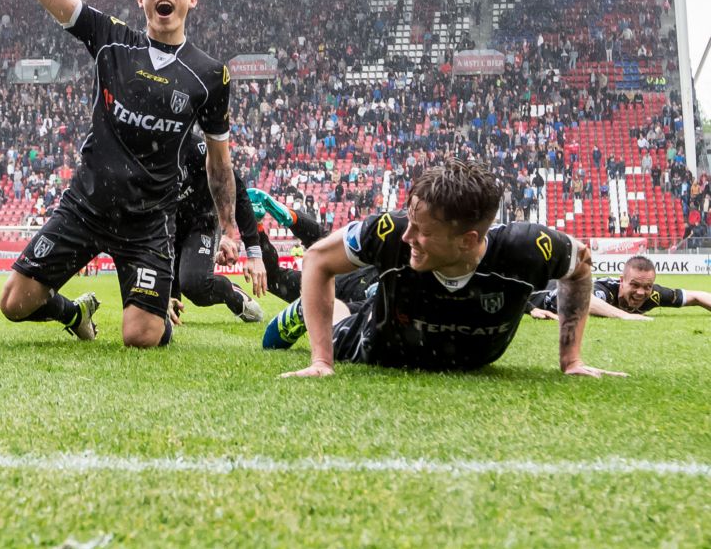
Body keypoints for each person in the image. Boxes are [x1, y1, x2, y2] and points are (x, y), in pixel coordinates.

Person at [9, 0, 238, 348]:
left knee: (141, 337)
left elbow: (218, 163)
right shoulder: (111, 39)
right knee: (15, 304)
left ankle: (154, 312)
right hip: (86, 206)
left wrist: (228, 225)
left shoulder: (211, 74)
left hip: (148, 220)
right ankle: (74, 312)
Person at [264, 159, 625, 379]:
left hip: (463, 356)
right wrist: (321, 360)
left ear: (467, 240)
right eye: (410, 222)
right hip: (373, 346)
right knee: (280, 338)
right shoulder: (389, 231)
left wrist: (571, 359)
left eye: (424, 232)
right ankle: (315, 312)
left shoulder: (528, 250)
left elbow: (580, 267)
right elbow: (316, 259)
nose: (408, 236)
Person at [170, 132, 265, 324]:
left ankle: (233, 294)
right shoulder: (142, 154)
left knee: (196, 285)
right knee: (160, 318)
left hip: (200, 222)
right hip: (165, 228)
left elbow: (236, 187)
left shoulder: (195, 147)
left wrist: (253, 250)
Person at [248, 187, 379, 304]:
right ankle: (261, 224)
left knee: (324, 241)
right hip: (359, 289)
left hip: (365, 266)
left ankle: (290, 217)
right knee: (273, 279)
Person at [526, 255, 711, 321]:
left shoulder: (653, 295)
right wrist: (626, 316)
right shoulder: (603, 289)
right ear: (622, 281)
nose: (641, 292)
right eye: (634, 285)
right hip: (533, 292)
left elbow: (695, 296)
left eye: (647, 286)